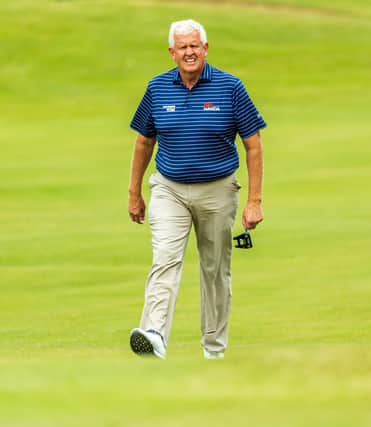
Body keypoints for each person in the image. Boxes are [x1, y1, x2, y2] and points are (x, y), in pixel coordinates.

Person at [127, 19, 266, 360]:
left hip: (218, 190)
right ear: (172, 52)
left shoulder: (230, 87)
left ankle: (213, 350)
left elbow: (254, 144)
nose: (189, 52)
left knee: (215, 269)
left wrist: (254, 201)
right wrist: (134, 192)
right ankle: (155, 333)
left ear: (206, 49)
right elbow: (144, 142)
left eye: (195, 46)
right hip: (169, 189)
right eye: (182, 47)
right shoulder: (157, 88)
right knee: (165, 259)